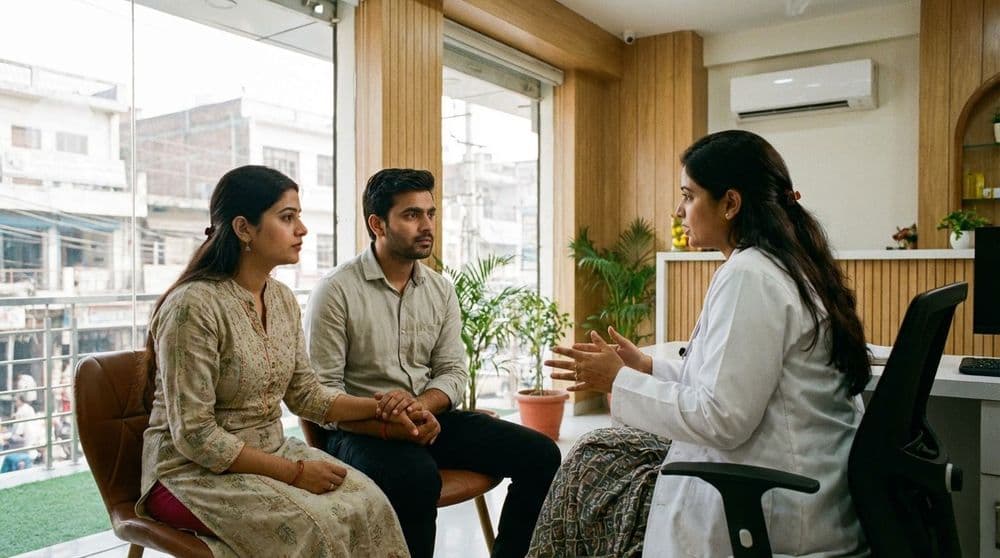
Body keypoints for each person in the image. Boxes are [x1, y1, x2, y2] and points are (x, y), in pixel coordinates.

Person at [529, 130, 870, 557]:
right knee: (596, 453)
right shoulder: (787, 265)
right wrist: (647, 368)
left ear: (730, 203)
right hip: (800, 485)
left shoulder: (751, 276)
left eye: (688, 196)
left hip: (771, 500)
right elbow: (737, 380)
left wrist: (617, 381)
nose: (678, 211)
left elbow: (722, 417)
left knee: (589, 470)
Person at [138, 165, 410, 558]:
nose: (302, 229)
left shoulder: (281, 299)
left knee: (371, 504)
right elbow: (195, 435)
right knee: (315, 527)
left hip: (272, 452)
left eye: (298, 216)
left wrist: (383, 406)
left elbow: (307, 395)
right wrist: (296, 474)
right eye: (287, 217)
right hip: (190, 474)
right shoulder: (192, 307)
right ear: (244, 228)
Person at [304, 168, 561, 558]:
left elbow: (453, 372)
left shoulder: (440, 290)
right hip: (359, 431)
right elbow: (321, 396)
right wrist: (389, 420)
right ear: (378, 224)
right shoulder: (336, 290)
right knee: (415, 478)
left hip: (429, 419)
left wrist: (419, 408)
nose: (427, 226)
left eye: (431, 213)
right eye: (411, 215)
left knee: (542, 455)